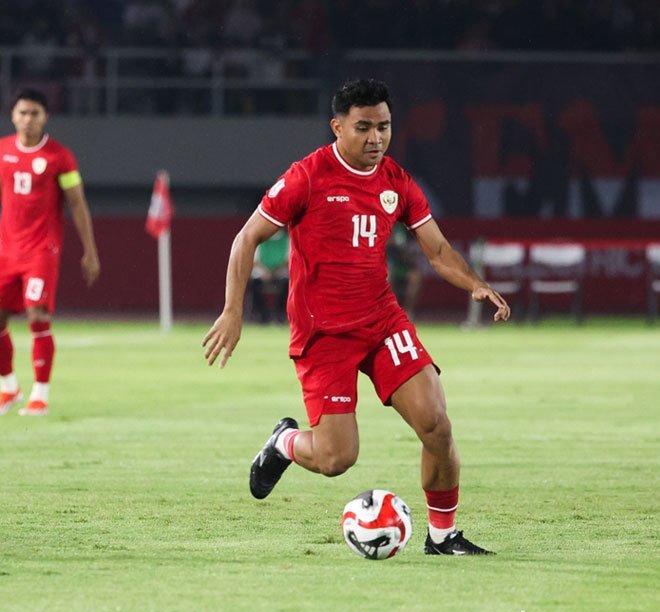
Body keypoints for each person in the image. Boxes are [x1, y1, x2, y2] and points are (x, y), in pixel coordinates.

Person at [202, 79, 510, 556]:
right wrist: (233, 311)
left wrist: (476, 284)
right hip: (324, 333)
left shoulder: (397, 181)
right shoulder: (307, 176)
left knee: (437, 424)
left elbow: (439, 250)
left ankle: (443, 536)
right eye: (363, 127)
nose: (376, 138)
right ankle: (284, 443)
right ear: (337, 126)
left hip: (382, 321)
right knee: (336, 458)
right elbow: (246, 239)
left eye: (383, 127)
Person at [0, 88, 101, 417]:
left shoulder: (60, 157)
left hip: (41, 252)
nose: (28, 119)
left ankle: (40, 395)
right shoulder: (0, 150)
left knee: (37, 313)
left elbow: (77, 204)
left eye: (34, 113)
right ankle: (9, 388)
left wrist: (90, 250)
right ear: (12, 116)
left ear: (45, 117)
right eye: (22, 113)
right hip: (6, 252)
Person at [249, 229, 289, 323]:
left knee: (286, 283)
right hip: (263, 272)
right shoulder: (261, 239)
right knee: (255, 283)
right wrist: (266, 272)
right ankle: (260, 314)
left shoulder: (287, 239)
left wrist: (274, 272)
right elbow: (256, 260)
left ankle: (280, 315)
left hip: (280, 272)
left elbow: (287, 260)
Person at [386, 222, 423, 320]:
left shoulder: (406, 228)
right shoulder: (385, 223)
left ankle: (408, 311)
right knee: (387, 276)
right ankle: (389, 310)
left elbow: (412, 248)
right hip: (387, 262)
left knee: (415, 277)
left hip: (403, 264)